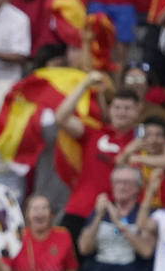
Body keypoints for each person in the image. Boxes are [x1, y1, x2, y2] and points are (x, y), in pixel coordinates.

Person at [56, 77, 140, 240]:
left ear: (138, 111)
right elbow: (61, 117)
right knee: (65, 263)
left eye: (127, 108)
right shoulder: (95, 133)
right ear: (109, 110)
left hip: (118, 215)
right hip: (79, 209)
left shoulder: (142, 142)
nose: (121, 112)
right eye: (117, 107)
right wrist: (84, 84)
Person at [0, 194, 77, 271]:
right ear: (27, 215)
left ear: (51, 214)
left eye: (44, 208)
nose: (40, 213)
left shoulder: (63, 236)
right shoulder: (15, 237)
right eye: (35, 209)